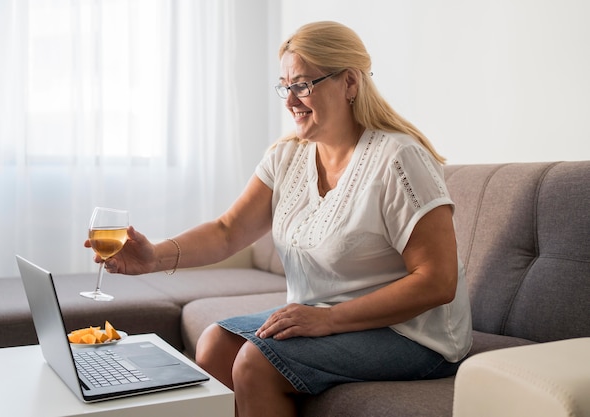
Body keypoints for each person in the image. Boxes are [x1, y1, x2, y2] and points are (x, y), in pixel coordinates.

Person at [88, 21, 472, 417]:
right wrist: (154, 257)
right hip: (325, 315)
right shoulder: (288, 155)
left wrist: (329, 320)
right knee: (214, 344)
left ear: (350, 84)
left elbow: (437, 280)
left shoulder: (398, 159)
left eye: (303, 85)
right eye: (285, 86)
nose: (290, 100)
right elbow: (227, 232)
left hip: (411, 334)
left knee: (256, 363)